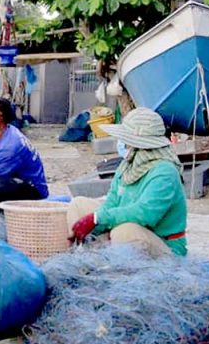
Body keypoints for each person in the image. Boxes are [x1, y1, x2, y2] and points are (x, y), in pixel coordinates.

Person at [68, 108, 187, 257]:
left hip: (164, 244)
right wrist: (93, 224)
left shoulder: (165, 172)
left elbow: (145, 214)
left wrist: (97, 218)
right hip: (125, 225)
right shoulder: (129, 163)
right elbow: (112, 202)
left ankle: (114, 261)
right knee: (78, 205)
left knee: (124, 232)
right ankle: (86, 252)